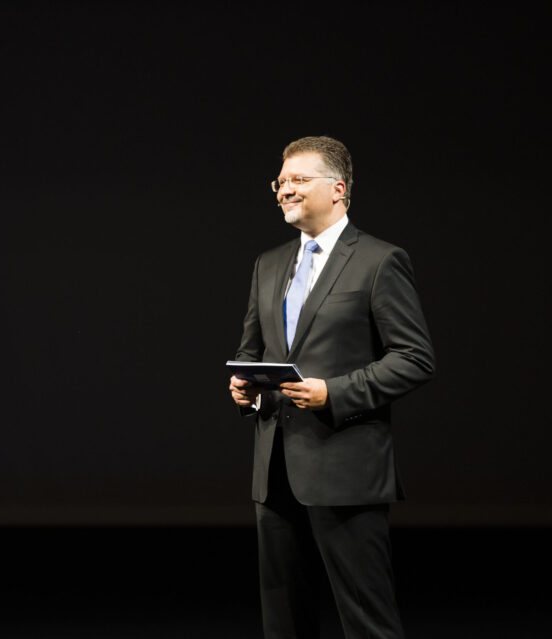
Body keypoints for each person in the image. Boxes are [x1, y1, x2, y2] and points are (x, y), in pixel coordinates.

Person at [229, 136, 434, 638]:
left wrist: (334, 393)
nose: (284, 191)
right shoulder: (269, 264)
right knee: (284, 623)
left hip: (345, 469)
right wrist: (247, 388)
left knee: (367, 621)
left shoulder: (380, 261)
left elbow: (414, 358)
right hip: (275, 470)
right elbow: (254, 352)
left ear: (338, 189)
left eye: (299, 180)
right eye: (281, 182)